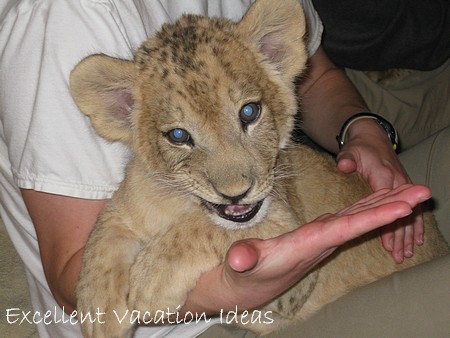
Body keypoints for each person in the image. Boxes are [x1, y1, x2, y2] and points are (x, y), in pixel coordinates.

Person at [0, 1, 447, 338]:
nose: (235, 184)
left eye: (249, 111)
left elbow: (310, 73)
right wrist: (224, 284)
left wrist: (362, 129)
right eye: (177, 135)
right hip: (199, 326)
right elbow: (72, 280)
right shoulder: (56, 20)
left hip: (348, 217)